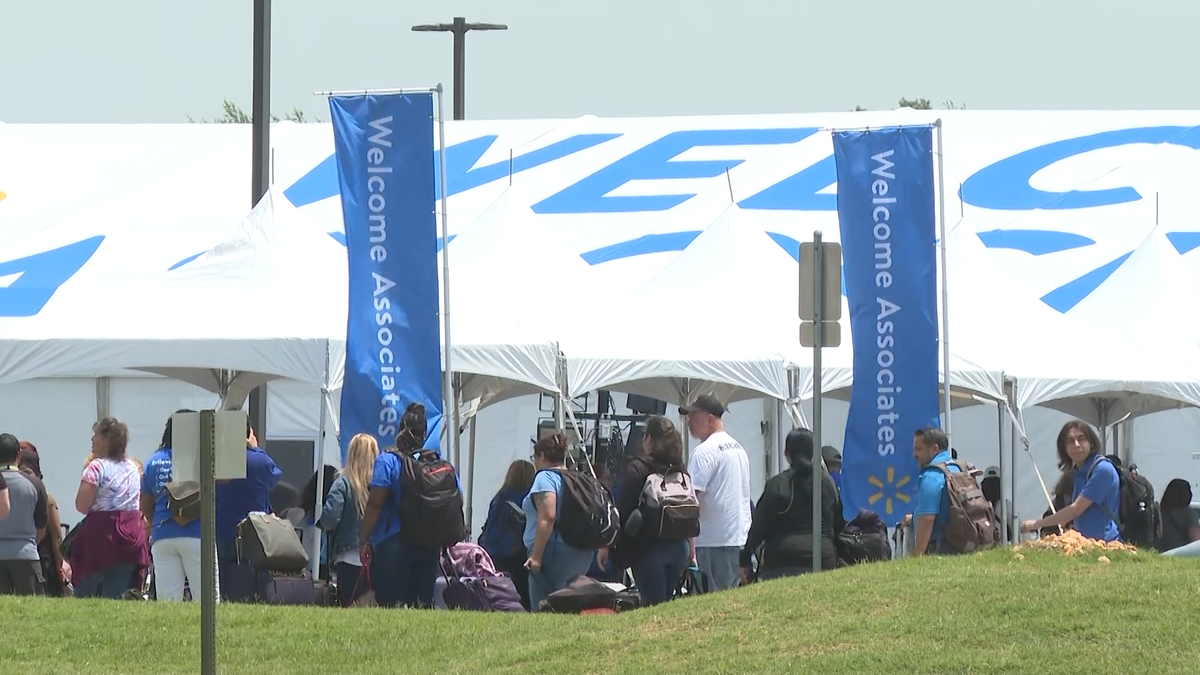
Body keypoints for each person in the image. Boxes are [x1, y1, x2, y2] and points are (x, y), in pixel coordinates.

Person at [602, 415, 694, 606]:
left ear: (648, 438)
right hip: (679, 547)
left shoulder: (639, 468)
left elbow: (622, 511)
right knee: (666, 602)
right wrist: (691, 552)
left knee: (653, 606)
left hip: (648, 549)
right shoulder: (680, 469)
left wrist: (607, 546)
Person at [359, 403, 439, 609]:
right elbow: (458, 497)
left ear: (400, 430)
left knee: (390, 606)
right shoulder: (436, 464)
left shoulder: (387, 461)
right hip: (429, 543)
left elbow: (375, 503)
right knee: (422, 607)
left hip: (393, 542)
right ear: (424, 434)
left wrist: (364, 539)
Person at [740, 428, 840, 580]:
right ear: (814, 453)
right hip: (823, 557)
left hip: (783, 560)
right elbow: (838, 524)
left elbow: (759, 526)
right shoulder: (828, 484)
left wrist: (744, 558)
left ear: (787, 454)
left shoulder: (778, 484)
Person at [72, 417, 149, 599]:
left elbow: (81, 506)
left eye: (96, 435)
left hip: (100, 539)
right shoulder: (133, 468)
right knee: (115, 595)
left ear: (106, 440)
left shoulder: (96, 467)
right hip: (129, 537)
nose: (92, 439)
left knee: (85, 592)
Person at [681, 395, 752, 591]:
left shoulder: (703, 452)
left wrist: (691, 550)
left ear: (710, 418)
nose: (689, 422)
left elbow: (691, 502)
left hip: (712, 541)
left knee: (710, 600)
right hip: (739, 537)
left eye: (694, 417)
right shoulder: (739, 449)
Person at [140, 411, 210, 602]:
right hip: (198, 534)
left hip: (163, 535)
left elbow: (145, 504)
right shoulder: (202, 459)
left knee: (168, 602)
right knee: (207, 600)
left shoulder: (153, 462)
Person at [523, 432, 595, 611]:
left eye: (534, 457)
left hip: (552, 551)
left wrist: (536, 556)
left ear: (541, 456)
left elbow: (548, 515)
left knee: (543, 609)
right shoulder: (578, 478)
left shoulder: (545, 477)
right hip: (581, 552)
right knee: (568, 608)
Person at [1020, 420, 1121, 541]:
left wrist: (1037, 524)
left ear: (1091, 443)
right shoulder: (1078, 472)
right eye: (1070, 441)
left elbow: (1076, 509)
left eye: (1081, 439)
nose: (1076, 445)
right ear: (1064, 448)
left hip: (1106, 543)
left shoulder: (1103, 469)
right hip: (1084, 543)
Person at [215, 423, 282, 598]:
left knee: (226, 584)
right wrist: (256, 448)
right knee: (254, 583)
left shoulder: (219, 461)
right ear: (249, 433)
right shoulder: (260, 460)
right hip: (255, 533)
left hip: (223, 531)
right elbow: (274, 478)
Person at [319, 433, 379, 607]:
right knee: (373, 608)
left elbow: (330, 518)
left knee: (348, 606)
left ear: (351, 454)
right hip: (376, 556)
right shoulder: (380, 486)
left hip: (347, 557)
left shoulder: (342, 483)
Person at [478, 459, 535, 609]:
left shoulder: (499, 498)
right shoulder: (528, 500)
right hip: (517, 554)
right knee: (523, 595)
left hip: (493, 552)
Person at [0, 433, 48, 595]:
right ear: (19, 454)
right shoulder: (35, 484)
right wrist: (30, 543)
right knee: (31, 606)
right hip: (26, 555)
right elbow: (41, 524)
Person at [910, 426, 961, 556]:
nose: (914, 455)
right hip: (960, 545)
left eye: (918, 449)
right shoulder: (957, 469)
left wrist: (918, 555)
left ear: (934, 449)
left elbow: (927, 518)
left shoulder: (931, 476)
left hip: (940, 549)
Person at [1156, 479, 1200, 552]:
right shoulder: (1189, 513)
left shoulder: (1160, 512)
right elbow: (1196, 540)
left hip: (1161, 551)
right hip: (1180, 552)